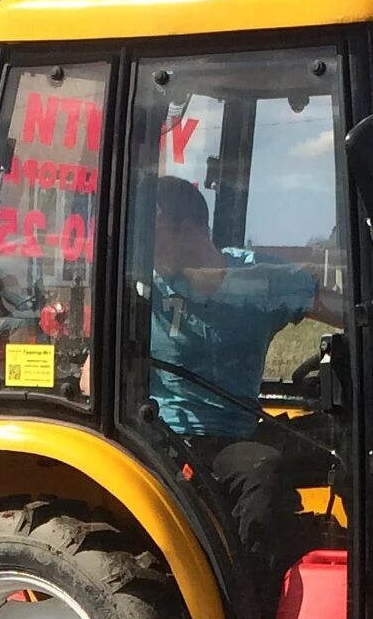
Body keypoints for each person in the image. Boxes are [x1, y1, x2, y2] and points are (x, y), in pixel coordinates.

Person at [141, 176, 343, 594]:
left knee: (340, 450)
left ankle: (283, 595)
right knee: (257, 473)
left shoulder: (259, 280)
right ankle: (244, 614)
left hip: (233, 435)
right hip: (160, 437)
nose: (143, 244)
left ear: (189, 227)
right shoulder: (146, 287)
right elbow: (96, 369)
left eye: (153, 230)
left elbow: (336, 306)